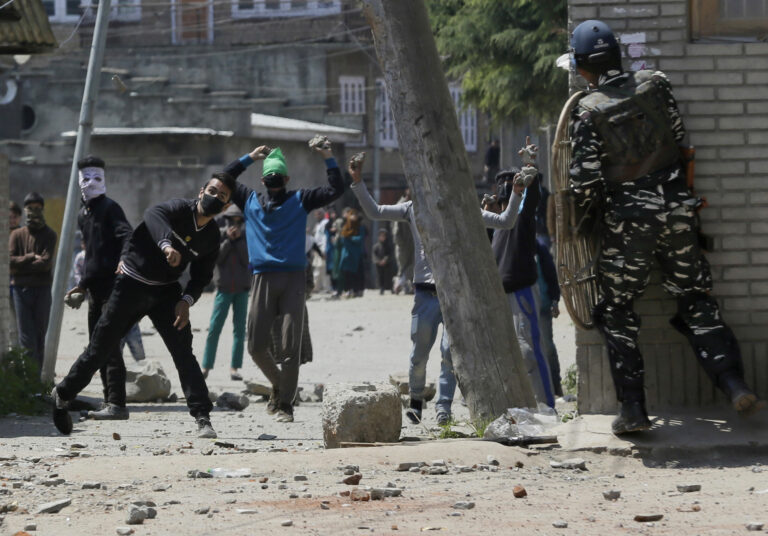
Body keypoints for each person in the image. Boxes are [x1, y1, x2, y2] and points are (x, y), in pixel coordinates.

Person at [569, 19, 764, 434]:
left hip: (628, 226)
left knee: (616, 310)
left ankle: (634, 410)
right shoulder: (655, 84)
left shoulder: (587, 111)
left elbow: (583, 182)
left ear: (582, 67)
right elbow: (678, 135)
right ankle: (734, 384)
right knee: (695, 298)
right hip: (678, 211)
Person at [51, 172, 236, 438]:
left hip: (166, 292)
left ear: (226, 207)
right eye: (212, 191)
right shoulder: (178, 208)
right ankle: (63, 395)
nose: (215, 197)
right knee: (100, 349)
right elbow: (153, 214)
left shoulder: (211, 238)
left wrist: (186, 301)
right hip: (131, 284)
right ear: (201, 191)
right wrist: (166, 245)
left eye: (222, 196)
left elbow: (202, 277)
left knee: (184, 354)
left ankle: (202, 417)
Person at [350, 157, 524, 425]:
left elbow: (505, 221)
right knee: (419, 354)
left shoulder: (465, 210)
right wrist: (357, 181)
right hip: (425, 295)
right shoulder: (413, 208)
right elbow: (375, 211)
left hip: (456, 296)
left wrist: (516, 193)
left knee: (449, 355)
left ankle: (444, 409)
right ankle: (416, 401)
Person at [223, 143, 344, 423]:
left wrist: (328, 157)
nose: (274, 181)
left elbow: (336, 189)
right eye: (270, 176)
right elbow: (224, 178)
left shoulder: (301, 199)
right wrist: (250, 157)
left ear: (286, 179)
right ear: (263, 180)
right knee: (255, 346)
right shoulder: (250, 200)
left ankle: (286, 406)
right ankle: (280, 385)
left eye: (277, 176)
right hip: (262, 278)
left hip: (293, 279)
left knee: (290, 348)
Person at [482, 140, 556, 409]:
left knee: (530, 351)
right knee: (507, 355)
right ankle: (519, 407)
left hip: (522, 292)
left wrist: (530, 167)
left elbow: (532, 198)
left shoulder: (521, 217)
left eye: (509, 182)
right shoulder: (496, 224)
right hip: (500, 297)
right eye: (502, 183)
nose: (503, 188)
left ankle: (547, 407)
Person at [64, 156, 135, 420]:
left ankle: (117, 404)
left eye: (97, 177)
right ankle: (109, 400)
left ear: (104, 179)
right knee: (97, 347)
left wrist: (124, 260)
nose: (91, 183)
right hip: (94, 292)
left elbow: (127, 236)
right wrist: (81, 286)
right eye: (86, 178)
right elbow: (93, 257)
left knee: (109, 346)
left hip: (112, 290)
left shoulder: (110, 208)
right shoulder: (84, 215)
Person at [201, 204, 250, 380]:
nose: (235, 225)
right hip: (223, 288)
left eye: (238, 221)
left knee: (239, 330)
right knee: (214, 328)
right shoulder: (219, 236)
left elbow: (247, 260)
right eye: (232, 221)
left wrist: (238, 241)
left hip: (242, 289)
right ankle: (206, 366)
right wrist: (229, 241)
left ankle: (234, 368)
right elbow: (218, 259)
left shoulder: (247, 237)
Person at [9, 192, 57, 368]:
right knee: (26, 339)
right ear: (25, 210)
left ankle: (36, 380)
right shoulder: (17, 235)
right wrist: (31, 257)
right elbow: (10, 262)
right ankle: (30, 379)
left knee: (39, 337)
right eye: (30, 208)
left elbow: (45, 264)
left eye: (37, 208)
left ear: (42, 209)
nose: (33, 211)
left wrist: (21, 266)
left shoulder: (50, 234)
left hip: (42, 290)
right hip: (20, 290)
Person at [536, 239, 563, 397]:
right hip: (521, 307)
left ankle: (555, 386)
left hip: (543, 307)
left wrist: (554, 300)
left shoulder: (539, 248)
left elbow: (551, 275)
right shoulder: (508, 244)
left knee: (547, 347)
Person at [339, 208, 366, 298]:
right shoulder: (345, 227)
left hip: (356, 255)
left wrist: (350, 238)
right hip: (347, 254)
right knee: (347, 273)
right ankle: (347, 290)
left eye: (355, 215)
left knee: (356, 273)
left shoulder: (360, 228)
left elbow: (360, 239)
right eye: (352, 215)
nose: (353, 217)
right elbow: (343, 240)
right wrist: (350, 239)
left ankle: (356, 290)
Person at [392, 189, 414, 294]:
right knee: (403, 267)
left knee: (412, 265)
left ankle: (407, 286)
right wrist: (399, 242)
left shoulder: (412, 205)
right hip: (403, 243)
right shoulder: (400, 206)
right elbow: (396, 228)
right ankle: (398, 285)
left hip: (411, 242)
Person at [372, 228, 395, 295]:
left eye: (383, 236)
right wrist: (378, 261)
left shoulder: (389, 245)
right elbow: (374, 255)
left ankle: (391, 288)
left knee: (389, 276)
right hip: (379, 265)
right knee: (380, 277)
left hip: (388, 264)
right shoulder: (376, 246)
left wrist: (385, 260)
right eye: (381, 236)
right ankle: (381, 288)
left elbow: (390, 254)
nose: (382, 237)